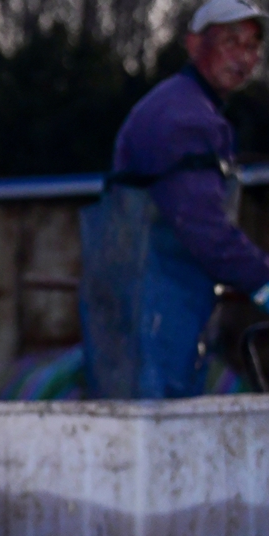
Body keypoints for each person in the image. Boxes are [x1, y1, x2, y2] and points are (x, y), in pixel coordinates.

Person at [82, 0, 269, 398]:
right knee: (152, 430)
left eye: (252, 46)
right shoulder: (182, 117)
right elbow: (202, 227)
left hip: (162, 314)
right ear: (193, 44)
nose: (243, 56)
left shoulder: (193, 108)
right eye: (229, 41)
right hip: (152, 317)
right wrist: (264, 281)